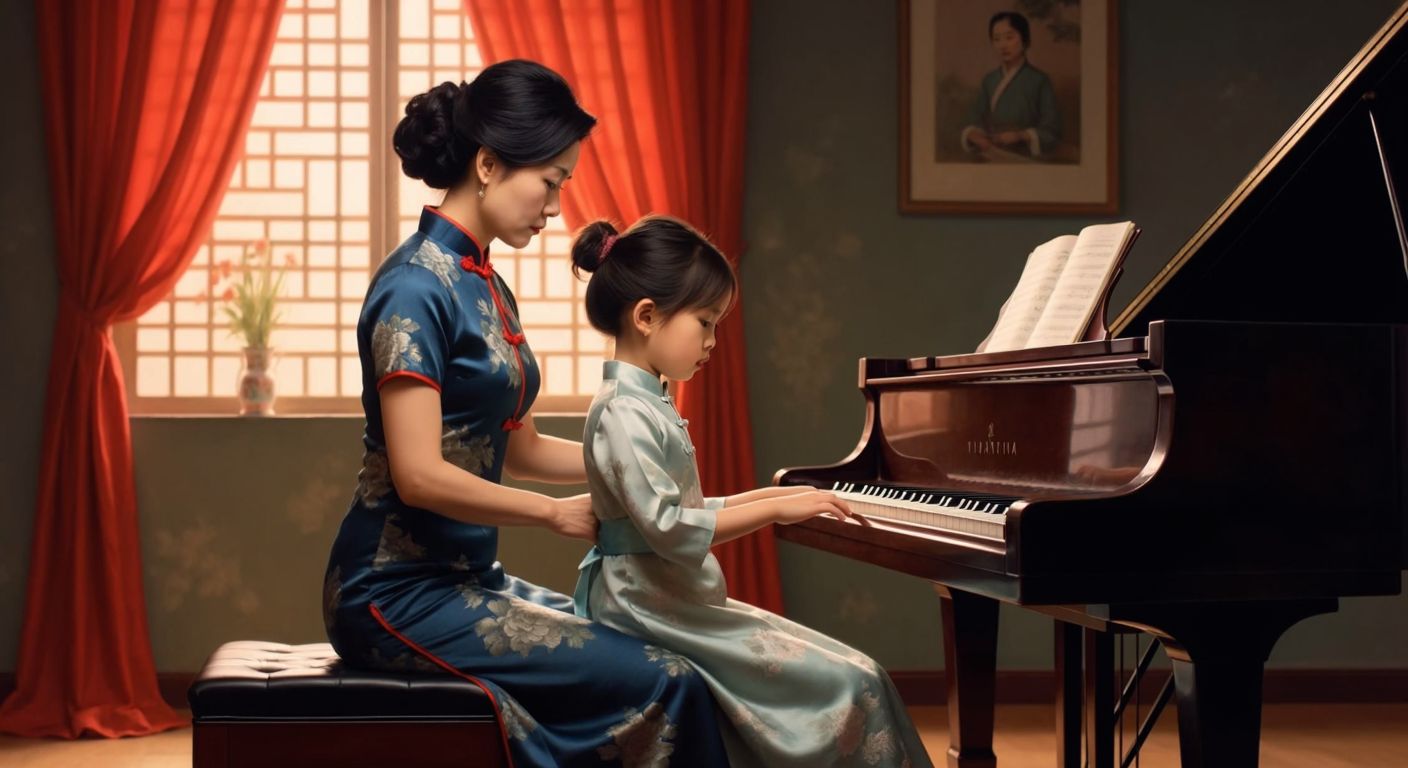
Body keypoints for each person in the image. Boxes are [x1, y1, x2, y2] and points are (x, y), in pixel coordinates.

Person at [321, 60, 729, 767]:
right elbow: (418, 476)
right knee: (669, 679)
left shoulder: (487, 286)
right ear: (487, 164)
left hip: (465, 580)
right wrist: (550, 514)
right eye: (551, 181)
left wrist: (641, 460)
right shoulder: (414, 289)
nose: (556, 207)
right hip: (392, 591)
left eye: (562, 185)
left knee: (660, 650)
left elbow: (520, 445)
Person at [569, 216, 935, 768]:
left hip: (672, 597)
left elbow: (680, 514)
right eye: (706, 322)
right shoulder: (624, 410)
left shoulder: (647, 400)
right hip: (648, 606)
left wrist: (776, 499)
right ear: (647, 316)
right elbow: (668, 528)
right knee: (851, 681)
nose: (713, 342)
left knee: (858, 672)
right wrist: (773, 511)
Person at [960, 10, 1062, 159]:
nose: (1003, 45)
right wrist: (974, 134)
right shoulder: (989, 80)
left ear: (1025, 39)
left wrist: (1021, 135)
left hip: (1025, 157)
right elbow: (974, 118)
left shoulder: (1040, 80)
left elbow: (1052, 131)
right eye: (997, 39)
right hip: (991, 152)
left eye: (1009, 37)